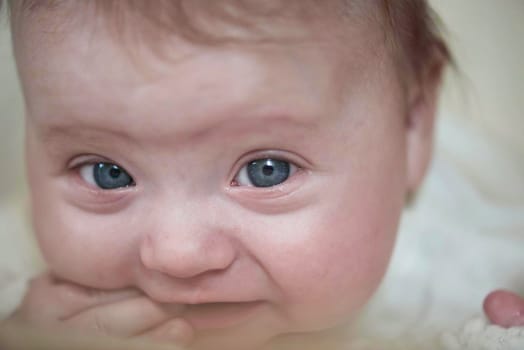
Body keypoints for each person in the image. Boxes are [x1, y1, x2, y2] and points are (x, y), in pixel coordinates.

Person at [0, 0, 522, 349]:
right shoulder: (17, 282)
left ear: (412, 129)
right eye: (107, 173)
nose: (178, 255)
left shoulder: (474, 281)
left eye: (265, 171)